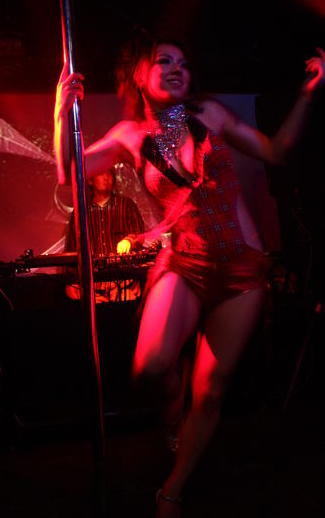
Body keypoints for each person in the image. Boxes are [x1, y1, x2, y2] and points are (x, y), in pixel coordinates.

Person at [54, 36, 324, 517]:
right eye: (164, 61)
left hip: (242, 270)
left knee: (212, 390)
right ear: (140, 75)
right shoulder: (129, 135)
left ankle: (172, 490)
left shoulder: (211, 115)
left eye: (183, 62)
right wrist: (61, 115)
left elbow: (277, 150)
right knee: (150, 366)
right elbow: (69, 176)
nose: (178, 68)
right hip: (185, 263)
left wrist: (307, 95)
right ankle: (172, 395)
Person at [65, 168, 146, 302]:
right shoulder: (81, 211)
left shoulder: (126, 205)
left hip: (124, 282)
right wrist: (71, 281)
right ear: (90, 181)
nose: (106, 177)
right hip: (93, 286)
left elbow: (140, 235)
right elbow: (73, 248)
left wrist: (129, 241)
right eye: (101, 173)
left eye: (109, 174)